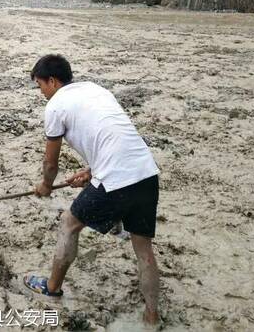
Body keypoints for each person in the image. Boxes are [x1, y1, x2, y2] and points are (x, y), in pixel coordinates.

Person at [24, 54, 160, 326]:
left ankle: (52, 287)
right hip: (146, 172)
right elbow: (113, 136)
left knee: (69, 223)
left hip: (116, 178)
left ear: (52, 81)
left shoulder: (55, 107)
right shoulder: (95, 89)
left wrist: (46, 186)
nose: (41, 93)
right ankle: (152, 318)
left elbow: (50, 163)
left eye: (40, 86)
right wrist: (91, 171)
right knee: (143, 249)